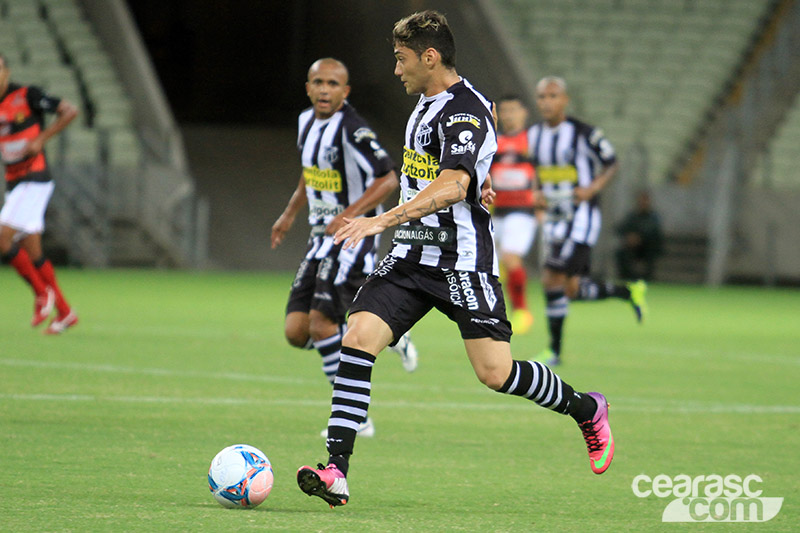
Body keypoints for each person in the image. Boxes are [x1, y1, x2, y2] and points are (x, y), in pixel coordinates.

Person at [295, 11, 615, 509]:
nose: (395, 69)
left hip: (460, 263)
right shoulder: (426, 104)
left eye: (401, 59)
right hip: (408, 260)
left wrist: (382, 220)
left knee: (495, 373)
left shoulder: (464, 110)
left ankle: (586, 408)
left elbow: (452, 185)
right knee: (357, 338)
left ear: (430, 57)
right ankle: (336, 470)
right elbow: (441, 173)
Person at [271, 58, 418, 438]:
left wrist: (349, 216)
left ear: (345, 91)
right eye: (318, 82)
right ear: (308, 87)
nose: (324, 89)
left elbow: (388, 178)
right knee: (296, 331)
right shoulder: (306, 122)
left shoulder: (353, 129)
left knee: (322, 324)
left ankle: (354, 416)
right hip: (319, 236)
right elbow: (310, 172)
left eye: (333, 84)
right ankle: (389, 336)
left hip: (353, 236)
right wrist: (289, 214)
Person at [530, 76, 647, 367]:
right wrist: (535, 192)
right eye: (542, 97)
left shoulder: (583, 133)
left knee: (550, 278)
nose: (547, 102)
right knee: (570, 289)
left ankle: (554, 352)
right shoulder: (534, 135)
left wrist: (592, 188)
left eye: (553, 96)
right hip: (555, 218)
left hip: (580, 218)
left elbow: (612, 162)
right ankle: (627, 291)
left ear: (565, 100)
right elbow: (533, 168)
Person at [0, 52, 79, 334]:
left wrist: (41, 139)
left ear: (6, 71)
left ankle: (40, 294)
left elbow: (70, 110)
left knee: (2, 236)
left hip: (34, 179)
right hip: (14, 184)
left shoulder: (26, 95)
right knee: (33, 253)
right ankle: (65, 312)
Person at [489, 94, 543, 334]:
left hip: (522, 211)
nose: (508, 115)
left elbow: (541, 173)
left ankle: (522, 311)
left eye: (513, 110)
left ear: (524, 113)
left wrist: (541, 204)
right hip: (495, 211)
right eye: (505, 110)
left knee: (511, 258)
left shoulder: (532, 142)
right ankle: (491, 311)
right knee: (490, 265)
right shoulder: (493, 142)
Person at [615, 190, 662, 281]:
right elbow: (621, 228)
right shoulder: (632, 216)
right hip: (632, 247)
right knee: (621, 253)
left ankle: (647, 278)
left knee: (650, 251)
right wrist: (629, 236)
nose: (643, 203)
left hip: (647, 247)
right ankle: (626, 278)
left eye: (645, 200)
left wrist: (640, 238)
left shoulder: (653, 217)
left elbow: (654, 232)